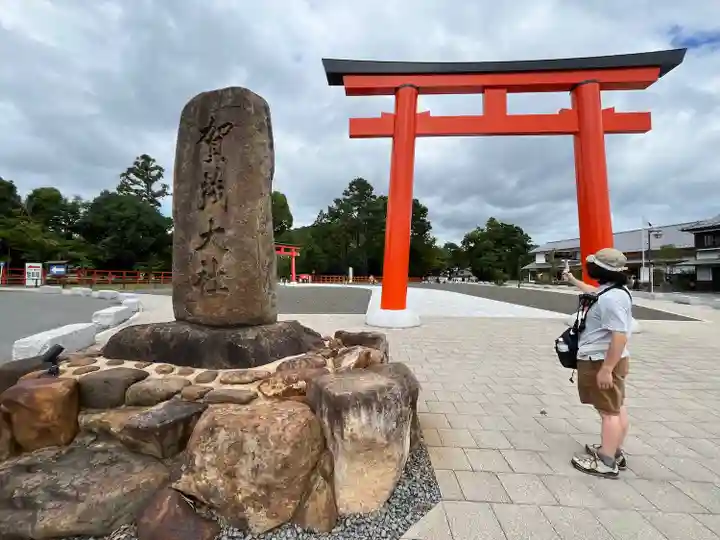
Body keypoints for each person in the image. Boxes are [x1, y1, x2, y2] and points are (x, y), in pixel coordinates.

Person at [561, 247, 633, 478]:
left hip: (601, 359)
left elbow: (619, 335)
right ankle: (613, 450)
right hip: (610, 358)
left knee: (608, 413)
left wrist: (606, 370)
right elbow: (594, 293)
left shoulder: (611, 299)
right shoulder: (614, 292)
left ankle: (606, 461)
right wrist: (573, 281)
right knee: (616, 407)